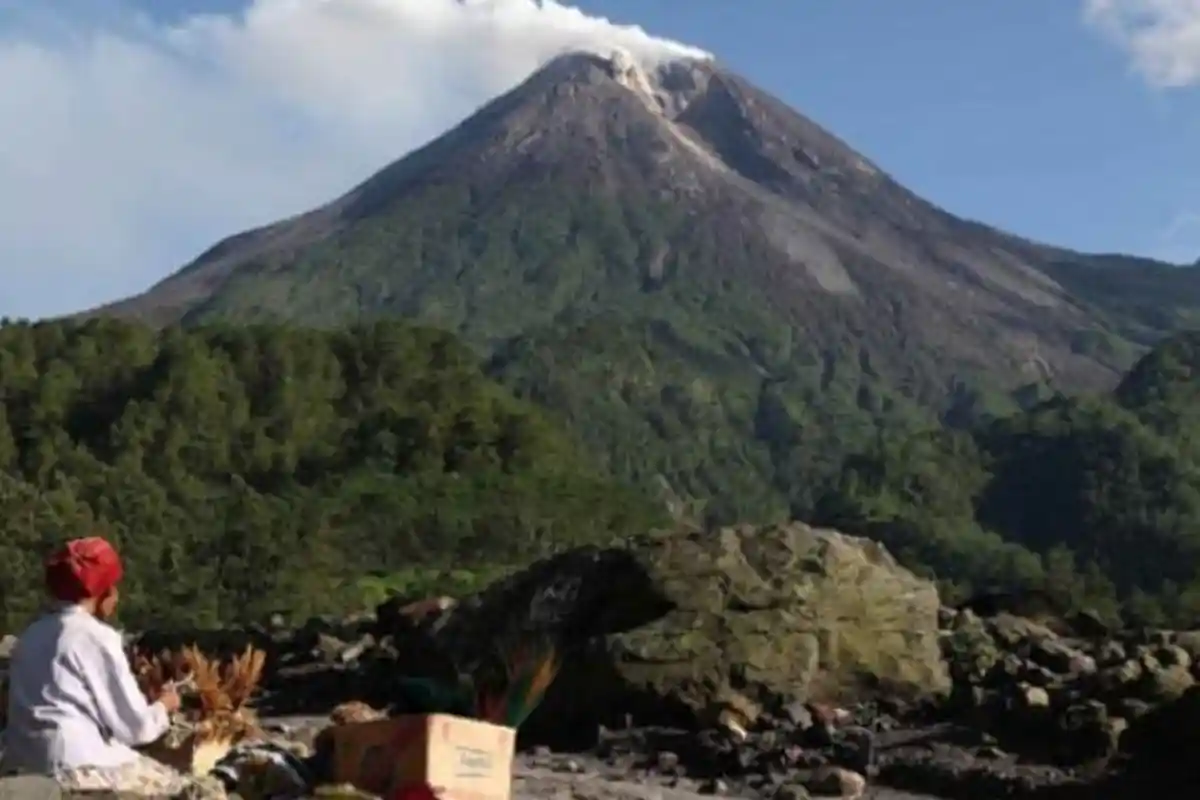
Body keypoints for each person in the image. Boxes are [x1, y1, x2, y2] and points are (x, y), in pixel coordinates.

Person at [0, 535, 194, 795]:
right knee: (186, 788)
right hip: (74, 764)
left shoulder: (30, 635)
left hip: (23, 759)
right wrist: (164, 705)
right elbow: (135, 729)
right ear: (103, 592)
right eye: (114, 587)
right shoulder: (96, 637)